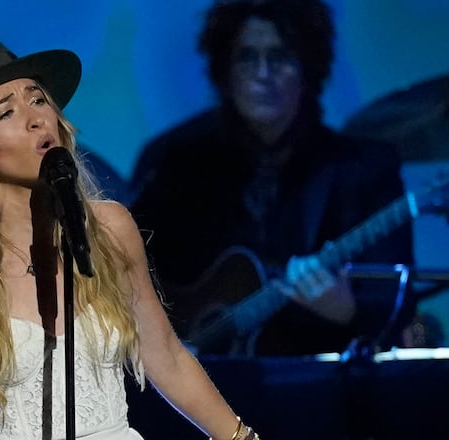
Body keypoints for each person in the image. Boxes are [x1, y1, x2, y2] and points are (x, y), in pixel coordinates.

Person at [0, 25, 259, 440]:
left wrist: (241, 437)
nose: (37, 118)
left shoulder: (109, 228)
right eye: (7, 112)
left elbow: (167, 358)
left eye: (37, 99)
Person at [130, 0, 415, 358]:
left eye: (280, 57)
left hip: (317, 385)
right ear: (225, 72)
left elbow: (396, 301)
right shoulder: (176, 162)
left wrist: (350, 311)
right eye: (247, 57)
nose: (263, 73)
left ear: (308, 69)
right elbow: (126, 275)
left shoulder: (363, 168)